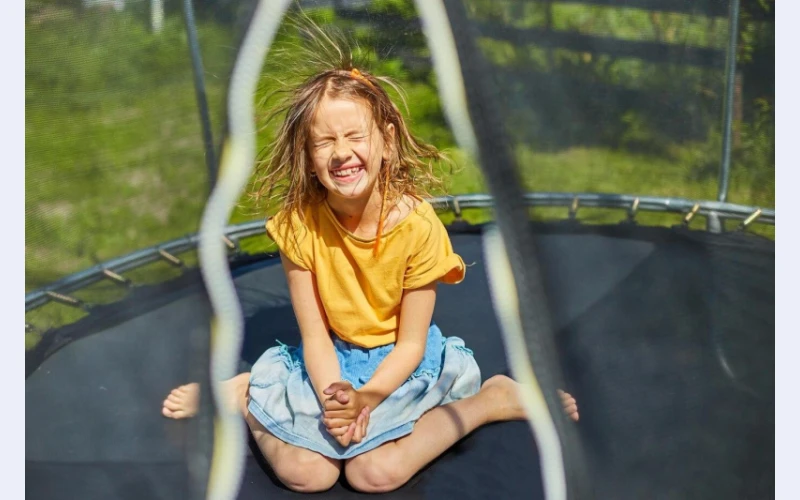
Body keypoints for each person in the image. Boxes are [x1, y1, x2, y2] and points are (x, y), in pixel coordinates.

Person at [162, 30, 578, 494]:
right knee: (307, 475)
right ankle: (247, 395)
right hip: (329, 362)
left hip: (399, 366)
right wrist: (336, 399)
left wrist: (368, 398)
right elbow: (315, 336)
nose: (341, 152)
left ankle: (491, 400)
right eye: (324, 143)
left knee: (374, 473)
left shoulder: (418, 228)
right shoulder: (299, 225)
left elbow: (411, 346)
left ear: (386, 140)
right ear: (308, 156)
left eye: (354, 136)